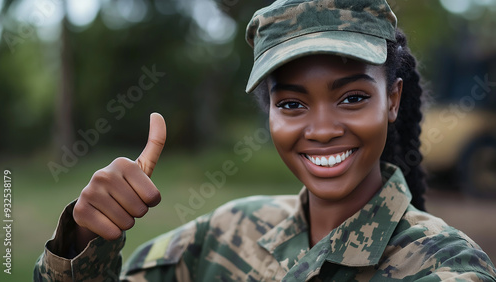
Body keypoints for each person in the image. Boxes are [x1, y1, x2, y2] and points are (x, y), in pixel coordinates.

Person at [35, 0, 496, 281]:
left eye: (352, 97)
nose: (320, 129)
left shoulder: (445, 266)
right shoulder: (228, 232)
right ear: (270, 112)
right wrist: (85, 239)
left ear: (393, 99)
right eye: (292, 104)